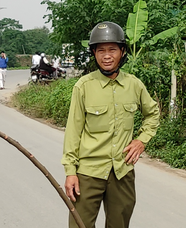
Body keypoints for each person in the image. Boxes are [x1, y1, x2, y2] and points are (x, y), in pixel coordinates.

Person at [61, 21, 159, 228]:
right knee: (80, 225)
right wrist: (71, 172)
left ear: (122, 52)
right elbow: (73, 131)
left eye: (112, 50)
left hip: (122, 172)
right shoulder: (84, 86)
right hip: (88, 173)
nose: (107, 56)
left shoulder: (134, 85)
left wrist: (141, 141)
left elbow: (153, 113)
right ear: (94, 54)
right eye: (101, 50)